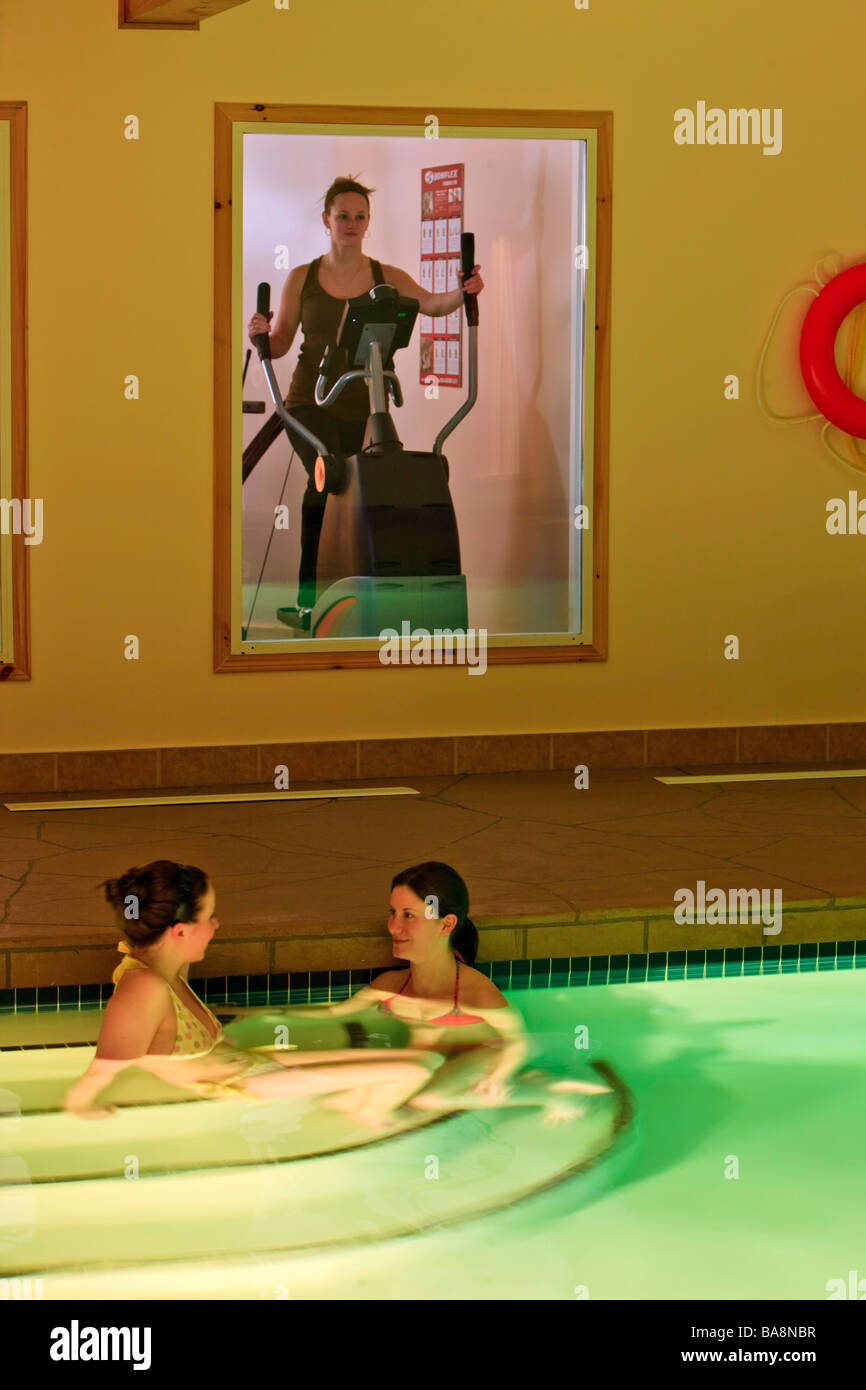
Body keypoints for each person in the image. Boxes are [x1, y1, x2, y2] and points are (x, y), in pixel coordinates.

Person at [246, 175, 484, 628]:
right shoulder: (303, 278)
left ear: (367, 222)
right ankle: (307, 603)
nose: (351, 224)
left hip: (365, 404)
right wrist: (258, 333)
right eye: (342, 216)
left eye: (359, 217)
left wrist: (464, 290)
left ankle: (352, 595)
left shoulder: (384, 277)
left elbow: (433, 304)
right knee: (327, 481)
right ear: (326, 221)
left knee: (359, 494)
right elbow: (277, 345)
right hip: (308, 404)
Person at [63, 860, 439, 1123]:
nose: (217, 924)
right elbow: (104, 1067)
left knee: (423, 1063)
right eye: (209, 916)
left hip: (251, 1061)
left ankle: (351, 1104)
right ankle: (363, 1113)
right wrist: (80, 1105)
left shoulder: (162, 963)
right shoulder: (143, 988)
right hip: (242, 1083)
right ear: (179, 932)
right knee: (412, 1071)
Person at [288, 862, 611, 1126]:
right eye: (392, 913)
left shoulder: (474, 993)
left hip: (484, 1054)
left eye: (408, 916)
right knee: (336, 1102)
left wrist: (500, 1075)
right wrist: (253, 1017)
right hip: (441, 1059)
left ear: (446, 925)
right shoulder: (389, 985)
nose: (392, 927)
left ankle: (549, 1092)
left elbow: (519, 1039)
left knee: (429, 1099)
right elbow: (333, 1013)